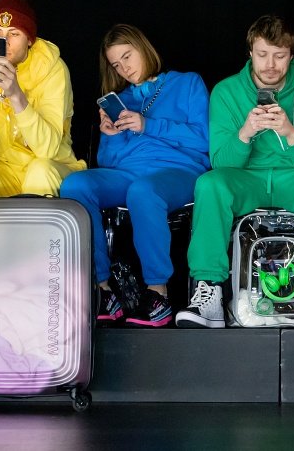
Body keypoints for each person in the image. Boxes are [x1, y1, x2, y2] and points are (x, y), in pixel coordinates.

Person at [175, 15, 294, 329]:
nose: (270, 64)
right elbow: (221, 162)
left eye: (279, 56)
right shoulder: (226, 92)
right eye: (263, 55)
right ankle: (208, 291)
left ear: (292, 55)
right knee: (210, 184)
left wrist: (291, 133)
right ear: (250, 52)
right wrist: (245, 133)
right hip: (246, 178)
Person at [59, 24, 210, 327]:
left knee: (143, 190)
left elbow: (205, 140)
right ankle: (101, 290)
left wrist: (148, 125)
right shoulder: (121, 99)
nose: (124, 68)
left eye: (127, 57)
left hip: (180, 171)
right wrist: (111, 135)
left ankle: (158, 294)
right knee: (76, 184)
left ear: (143, 48)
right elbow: (107, 162)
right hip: (128, 173)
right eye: (116, 64)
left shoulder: (187, 83)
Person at [0, 0, 86, 235]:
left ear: (30, 40)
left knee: (40, 169)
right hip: (4, 168)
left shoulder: (52, 68)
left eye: (14, 33)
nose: (5, 41)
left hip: (54, 166)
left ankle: (37, 264)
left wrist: (15, 94)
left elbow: (48, 150)